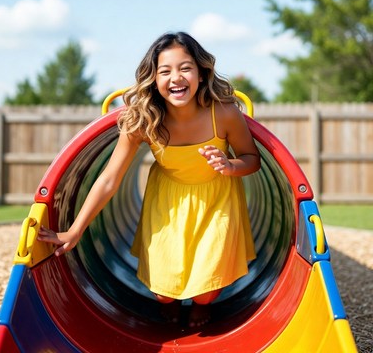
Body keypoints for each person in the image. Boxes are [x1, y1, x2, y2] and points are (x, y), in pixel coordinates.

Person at [37, 31, 261, 327]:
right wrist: (75, 230)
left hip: (216, 199)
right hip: (166, 200)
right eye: (165, 71)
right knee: (163, 291)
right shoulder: (145, 120)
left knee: (207, 285)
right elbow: (109, 179)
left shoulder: (224, 114)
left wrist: (230, 165)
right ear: (153, 79)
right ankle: (169, 302)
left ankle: (202, 306)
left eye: (185, 68)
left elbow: (253, 160)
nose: (176, 78)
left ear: (201, 73)